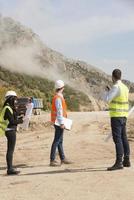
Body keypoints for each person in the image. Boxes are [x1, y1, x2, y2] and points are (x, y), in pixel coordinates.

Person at [103, 69, 130, 171]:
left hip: (116, 116)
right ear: (120, 76)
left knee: (117, 139)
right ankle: (126, 160)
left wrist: (107, 91)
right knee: (124, 137)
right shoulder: (125, 87)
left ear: (113, 77)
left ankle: (119, 162)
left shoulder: (116, 87)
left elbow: (107, 99)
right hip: (123, 116)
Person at [0, 90, 23, 175]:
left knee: (10, 150)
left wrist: (19, 116)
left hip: (10, 130)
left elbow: (13, 118)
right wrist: (20, 121)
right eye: (14, 99)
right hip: (10, 131)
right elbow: (12, 121)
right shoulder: (7, 108)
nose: (15, 101)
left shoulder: (9, 107)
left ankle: (10, 168)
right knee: (10, 150)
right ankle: (10, 169)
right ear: (10, 99)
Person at [50, 80, 72, 166]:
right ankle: (52, 160)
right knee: (57, 140)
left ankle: (63, 158)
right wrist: (62, 123)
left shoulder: (58, 97)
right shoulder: (58, 98)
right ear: (62, 88)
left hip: (58, 121)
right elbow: (59, 111)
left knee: (60, 140)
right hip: (59, 122)